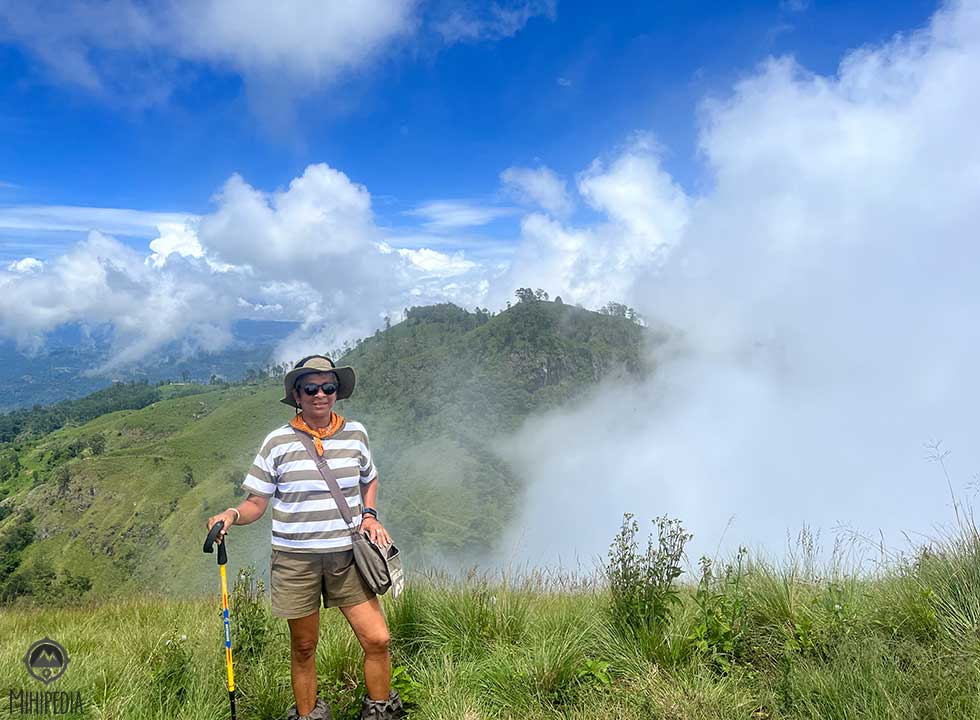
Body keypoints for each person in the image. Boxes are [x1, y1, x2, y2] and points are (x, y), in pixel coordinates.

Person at [206, 355, 404, 720]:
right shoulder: (277, 442)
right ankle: (308, 714)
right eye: (311, 388)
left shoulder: (356, 434)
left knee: (377, 639)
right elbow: (256, 503)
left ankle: (381, 713)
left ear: (337, 392)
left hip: (348, 556)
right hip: (295, 559)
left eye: (328, 387)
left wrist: (369, 514)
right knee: (304, 647)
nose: (320, 395)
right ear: (297, 395)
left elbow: (370, 477)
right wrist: (231, 514)